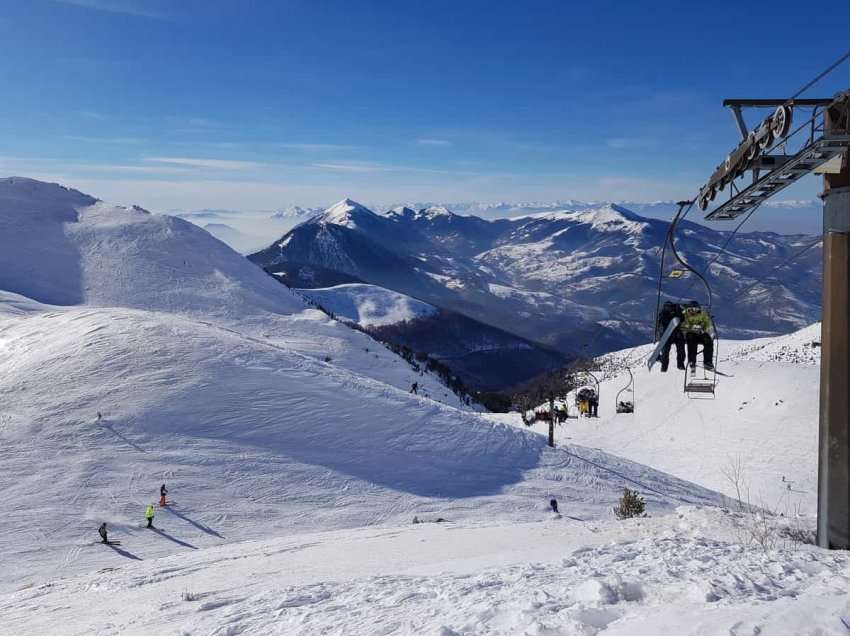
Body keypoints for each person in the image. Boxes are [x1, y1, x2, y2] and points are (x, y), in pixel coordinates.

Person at [681, 301, 715, 372]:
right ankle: (692, 361)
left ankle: (707, 362)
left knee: (708, 340)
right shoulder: (685, 314)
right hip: (691, 333)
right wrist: (691, 327)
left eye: (695, 309)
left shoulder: (703, 314)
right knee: (691, 341)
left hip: (700, 334)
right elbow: (683, 325)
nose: (694, 311)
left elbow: (708, 324)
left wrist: (708, 332)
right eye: (692, 309)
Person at [657, 301, 685, 372]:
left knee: (681, 349)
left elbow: (682, 319)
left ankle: (680, 364)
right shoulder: (663, 314)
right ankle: (664, 367)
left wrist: (678, 312)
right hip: (667, 335)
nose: (669, 309)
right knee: (665, 351)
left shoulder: (677, 311)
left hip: (676, 334)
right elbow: (661, 324)